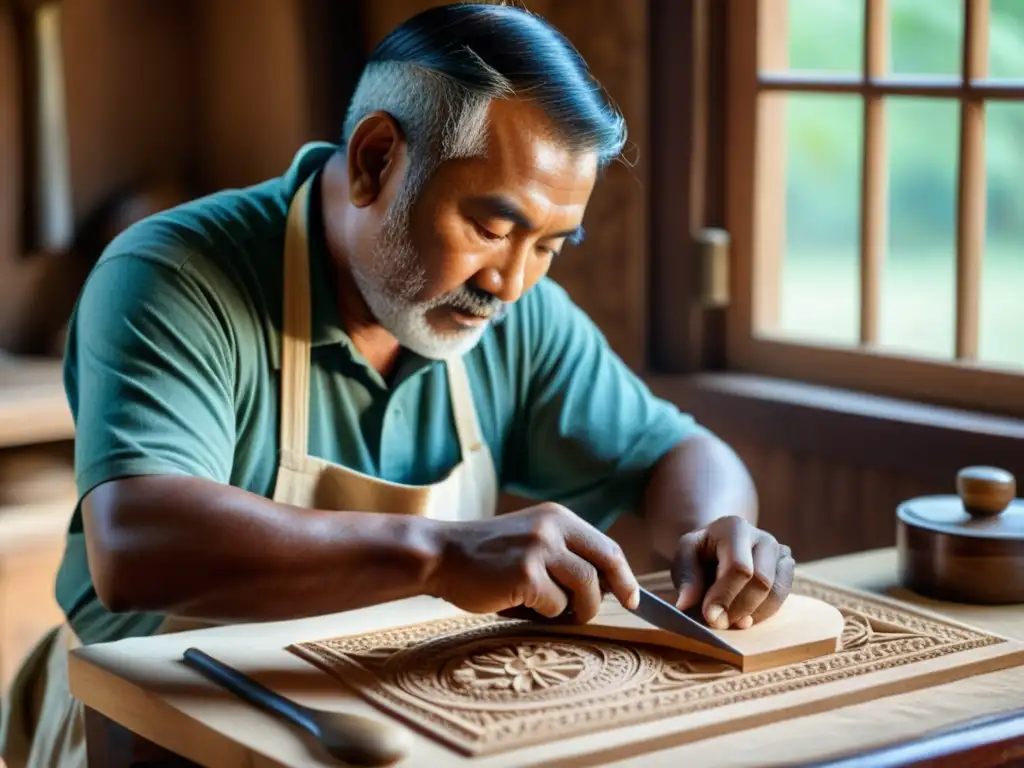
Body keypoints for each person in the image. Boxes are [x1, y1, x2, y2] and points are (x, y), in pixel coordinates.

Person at [0, 4, 794, 766]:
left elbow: (678, 450)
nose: (511, 283)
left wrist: (717, 533)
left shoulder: (521, 319)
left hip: (402, 721)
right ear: (377, 160)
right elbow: (139, 543)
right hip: (156, 727)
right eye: (490, 228)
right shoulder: (174, 275)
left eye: (550, 244)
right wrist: (440, 554)